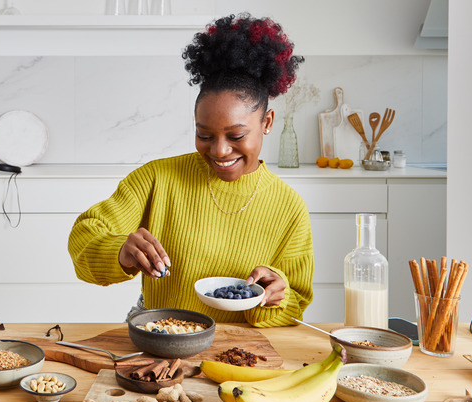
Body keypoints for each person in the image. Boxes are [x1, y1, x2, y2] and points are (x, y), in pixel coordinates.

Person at [68, 13, 313, 327]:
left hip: (236, 353)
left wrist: (274, 294)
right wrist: (120, 251)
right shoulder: (157, 179)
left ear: (267, 123)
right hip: (159, 339)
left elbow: (296, 308)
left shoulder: (288, 208)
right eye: (205, 135)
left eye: (236, 136)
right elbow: (83, 239)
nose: (219, 151)